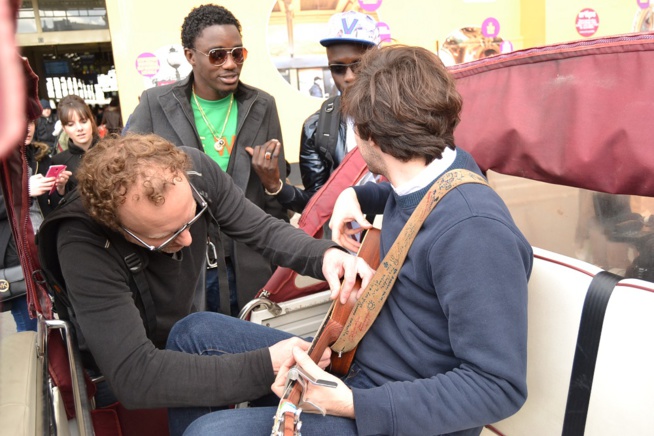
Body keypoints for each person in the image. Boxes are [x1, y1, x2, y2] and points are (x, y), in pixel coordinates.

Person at [180, 45, 533, 436]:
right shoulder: (439, 166)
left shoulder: (474, 231)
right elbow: (409, 195)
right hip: (354, 363)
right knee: (193, 334)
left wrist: (348, 403)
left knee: (208, 432)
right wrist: (357, 195)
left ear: (367, 135)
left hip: (388, 410)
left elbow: (497, 387)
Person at [36, 133, 374, 426]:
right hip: (118, 360)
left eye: (191, 219)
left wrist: (325, 255)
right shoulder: (82, 242)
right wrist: (266, 363)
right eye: (167, 236)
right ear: (118, 226)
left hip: (178, 333)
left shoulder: (193, 170)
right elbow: (135, 376)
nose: (189, 241)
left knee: (195, 331)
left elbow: (260, 228)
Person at [126, 4, 289, 314]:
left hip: (250, 264)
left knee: (255, 354)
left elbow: (275, 199)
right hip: (185, 265)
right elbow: (124, 180)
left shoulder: (262, 105)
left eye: (237, 54)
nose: (230, 64)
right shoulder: (155, 104)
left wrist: (273, 184)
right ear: (190, 56)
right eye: (217, 55)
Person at [249, 10, 380, 214]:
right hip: (348, 241)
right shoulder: (316, 127)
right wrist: (276, 186)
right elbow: (317, 205)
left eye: (359, 65)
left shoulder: (405, 113)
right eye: (338, 68)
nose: (349, 77)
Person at [50, 94, 96, 197]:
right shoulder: (59, 162)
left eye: (83, 121)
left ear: (91, 120)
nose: (79, 128)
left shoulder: (110, 150)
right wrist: (60, 188)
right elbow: (57, 205)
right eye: (71, 125)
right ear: (64, 128)